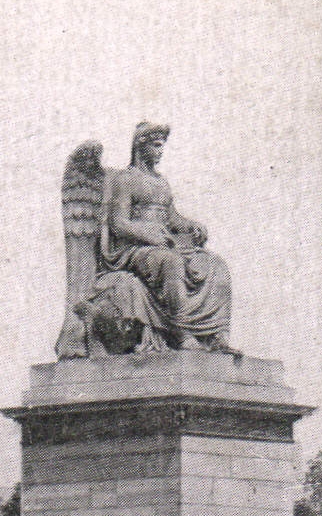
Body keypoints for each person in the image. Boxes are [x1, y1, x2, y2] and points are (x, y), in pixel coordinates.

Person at [99, 122, 232, 351]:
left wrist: (192, 225)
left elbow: (172, 219)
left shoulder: (162, 183)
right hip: (135, 250)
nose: (161, 152)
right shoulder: (125, 179)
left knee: (216, 265)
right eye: (156, 146)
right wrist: (147, 235)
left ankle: (216, 334)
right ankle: (182, 333)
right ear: (141, 146)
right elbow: (118, 223)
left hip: (165, 244)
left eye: (162, 147)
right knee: (171, 263)